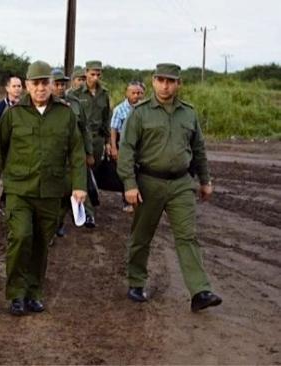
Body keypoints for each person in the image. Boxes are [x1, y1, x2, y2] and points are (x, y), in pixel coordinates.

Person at [117, 63, 222, 312]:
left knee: (188, 236)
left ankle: (200, 291)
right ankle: (136, 281)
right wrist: (129, 184)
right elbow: (127, 150)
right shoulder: (140, 113)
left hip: (181, 183)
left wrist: (205, 181)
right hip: (148, 183)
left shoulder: (189, 113)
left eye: (171, 81)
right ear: (153, 81)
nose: (165, 85)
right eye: (161, 80)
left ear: (179, 83)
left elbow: (198, 149)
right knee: (142, 236)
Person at [0, 60, 87, 316]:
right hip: (20, 189)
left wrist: (79, 186)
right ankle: (16, 295)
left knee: (42, 242)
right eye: (36, 83)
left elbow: (76, 152)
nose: (41, 88)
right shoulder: (13, 114)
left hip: (51, 191)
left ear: (52, 85)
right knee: (20, 237)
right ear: (27, 85)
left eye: (46, 83)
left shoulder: (65, 114)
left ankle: (34, 292)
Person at [51, 69, 94, 238]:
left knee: (67, 191)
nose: (60, 87)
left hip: (72, 155)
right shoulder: (43, 104)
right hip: (51, 155)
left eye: (63, 84)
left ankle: (59, 223)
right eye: (57, 84)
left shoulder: (75, 103)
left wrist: (88, 152)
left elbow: (84, 129)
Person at [69, 60, 111, 228]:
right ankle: (88, 213)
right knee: (84, 174)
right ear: (86, 73)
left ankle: (83, 203)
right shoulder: (75, 94)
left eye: (98, 74)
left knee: (92, 174)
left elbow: (107, 118)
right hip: (80, 139)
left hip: (98, 139)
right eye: (92, 74)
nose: (95, 77)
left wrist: (108, 142)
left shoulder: (104, 94)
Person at [110, 81, 145, 213]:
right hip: (126, 147)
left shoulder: (146, 110)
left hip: (142, 148)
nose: (137, 96)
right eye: (134, 93)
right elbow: (113, 129)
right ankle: (127, 201)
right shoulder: (119, 109)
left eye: (140, 93)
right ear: (127, 93)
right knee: (127, 173)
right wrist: (114, 147)